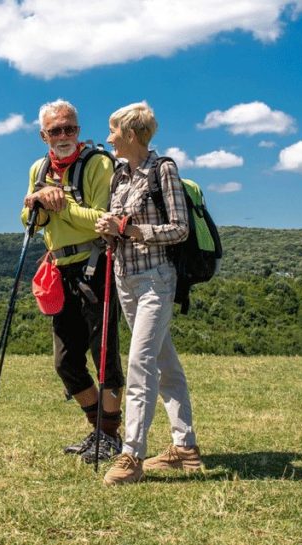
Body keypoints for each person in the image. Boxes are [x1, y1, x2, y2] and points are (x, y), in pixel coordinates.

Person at [95, 101, 203, 484]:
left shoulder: (163, 170)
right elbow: (120, 226)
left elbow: (180, 228)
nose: (109, 138)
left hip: (157, 278)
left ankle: (131, 456)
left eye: (114, 132)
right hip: (126, 278)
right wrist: (109, 227)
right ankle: (185, 448)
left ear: (132, 134)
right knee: (163, 360)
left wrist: (138, 231)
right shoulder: (119, 176)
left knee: (140, 362)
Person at [21, 99, 124, 463]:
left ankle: (109, 436)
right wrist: (37, 202)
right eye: (55, 131)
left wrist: (58, 202)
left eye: (70, 129)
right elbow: (28, 221)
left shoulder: (98, 163)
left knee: (104, 357)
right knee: (66, 362)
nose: (63, 136)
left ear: (78, 131)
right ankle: (100, 429)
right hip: (60, 269)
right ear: (43, 135)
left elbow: (101, 218)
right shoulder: (39, 168)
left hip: (97, 266)